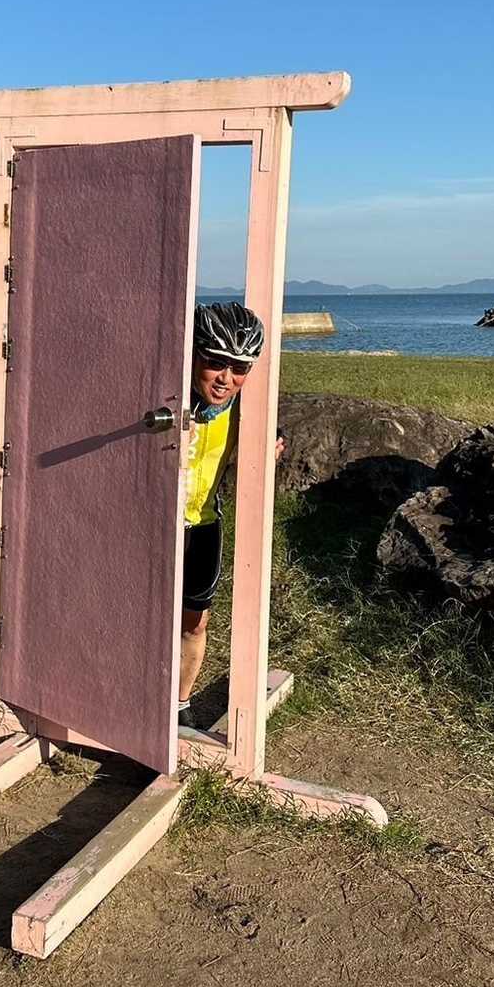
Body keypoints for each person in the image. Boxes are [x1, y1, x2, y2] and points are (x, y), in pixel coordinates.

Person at [178, 301, 285, 728]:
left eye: (239, 368)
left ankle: (178, 708)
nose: (226, 378)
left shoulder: (246, 408)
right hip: (152, 523)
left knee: (194, 622)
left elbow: (261, 447)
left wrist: (268, 447)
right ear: (193, 354)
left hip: (203, 524)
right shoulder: (166, 398)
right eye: (215, 362)